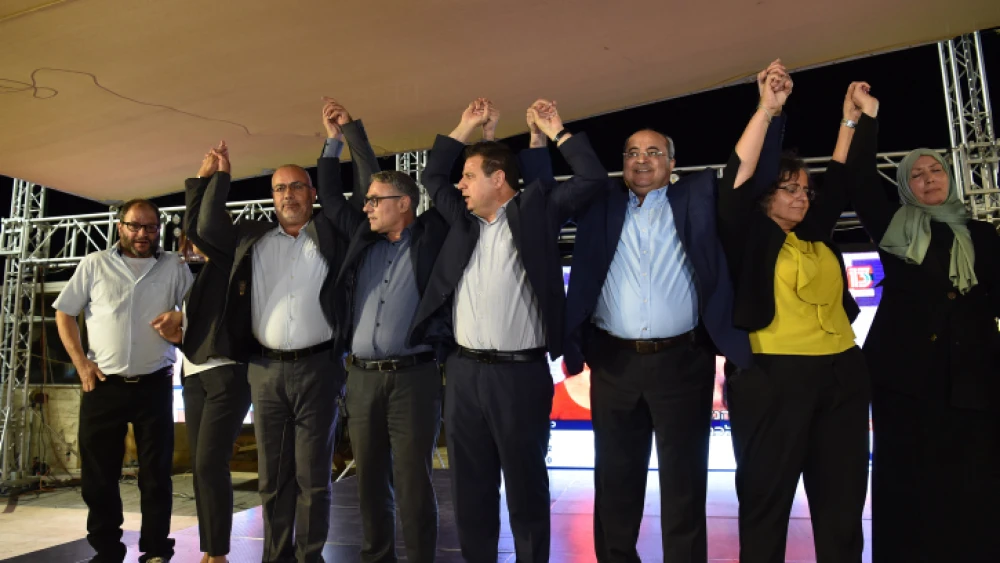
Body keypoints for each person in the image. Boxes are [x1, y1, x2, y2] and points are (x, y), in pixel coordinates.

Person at [519, 94, 753, 563]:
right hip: (615, 363)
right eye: (631, 153)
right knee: (615, 484)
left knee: (684, 485)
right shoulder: (601, 201)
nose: (641, 160)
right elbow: (542, 200)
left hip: (684, 362)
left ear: (672, 163)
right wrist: (542, 139)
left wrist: (766, 110)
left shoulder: (697, 197)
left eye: (653, 152)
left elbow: (743, 171)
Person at [414, 98, 608, 562]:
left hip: (520, 375)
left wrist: (556, 130)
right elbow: (433, 176)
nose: (460, 185)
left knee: (525, 488)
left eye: (470, 176)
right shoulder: (460, 220)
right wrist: (465, 125)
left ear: (498, 179)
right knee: (470, 489)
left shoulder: (536, 212)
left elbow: (592, 179)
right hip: (463, 374)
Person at [717, 65, 871, 563]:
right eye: (790, 188)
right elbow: (738, 176)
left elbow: (839, 179)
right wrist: (768, 109)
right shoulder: (748, 234)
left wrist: (849, 120)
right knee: (766, 504)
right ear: (766, 195)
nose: (802, 196)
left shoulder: (813, 233)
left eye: (806, 189)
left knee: (842, 508)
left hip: (843, 373)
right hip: (773, 377)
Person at [844, 85, 1000, 562]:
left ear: (950, 178)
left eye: (936, 170)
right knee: (908, 485)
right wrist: (867, 118)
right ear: (905, 185)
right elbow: (859, 179)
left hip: (974, 381)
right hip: (905, 382)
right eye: (916, 173)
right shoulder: (893, 226)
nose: (928, 179)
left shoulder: (981, 234)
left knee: (974, 485)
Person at [196, 137, 349, 563]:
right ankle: (276, 557)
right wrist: (218, 178)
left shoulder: (331, 234)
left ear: (312, 193)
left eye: (297, 186)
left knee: (313, 477)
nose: (288, 195)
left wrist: (334, 146)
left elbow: (345, 206)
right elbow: (206, 228)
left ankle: (309, 557)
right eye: (280, 188)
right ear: (272, 197)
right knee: (273, 478)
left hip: (319, 367)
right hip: (264, 371)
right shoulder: (253, 238)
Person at [314, 98, 451, 563]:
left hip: (414, 378)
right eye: (368, 199)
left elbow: (441, 186)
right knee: (370, 480)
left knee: (412, 482)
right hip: (361, 379)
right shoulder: (362, 237)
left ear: (405, 204)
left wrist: (356, 130)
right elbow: (333, 197)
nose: (367, 206)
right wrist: (335, 141)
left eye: (376, 201)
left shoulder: (431, 236)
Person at [53, 199, 193, 563]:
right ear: (120, 227)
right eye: (135, 226)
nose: (142, 233)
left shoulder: (175, 266)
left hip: (155, 385)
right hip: (102, 386)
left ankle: (156, 550)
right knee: (99, 476)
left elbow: (199, 310)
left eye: (150, 227)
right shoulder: (94, 264)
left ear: (159, 229)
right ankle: (107, 550)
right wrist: (81, 364)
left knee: (156, 476)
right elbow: (64, 313)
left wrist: (181, 319)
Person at [151, 144, 252, 563]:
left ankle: (218, 552)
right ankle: (212, 550)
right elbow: (196, 230)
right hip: (193, 375)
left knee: (210, 462)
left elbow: (202, 224)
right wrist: (178, 327)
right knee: (202, 465)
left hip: (226, 373)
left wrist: (214, 179)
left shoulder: (233, 259)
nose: (192, 243)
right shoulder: (206, 274)